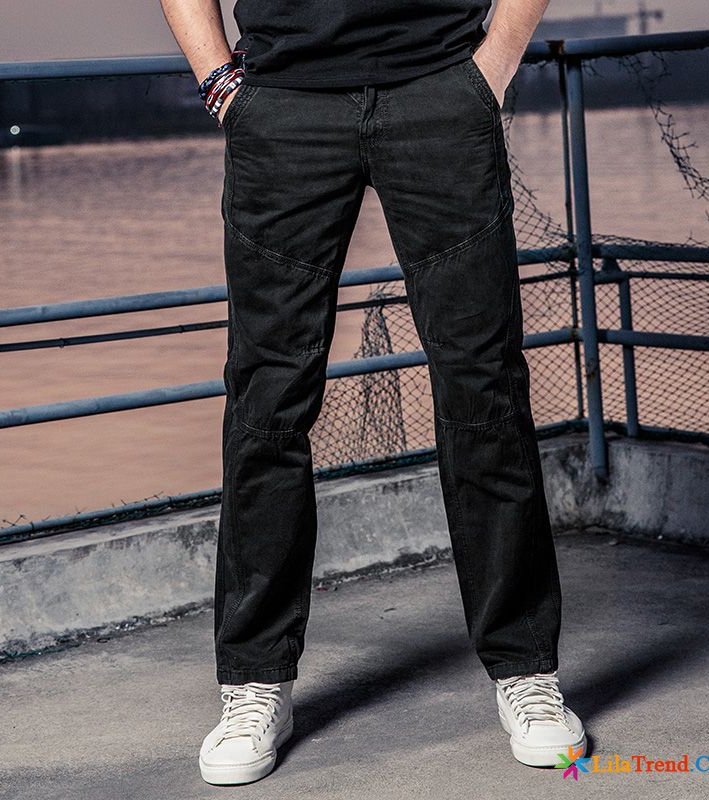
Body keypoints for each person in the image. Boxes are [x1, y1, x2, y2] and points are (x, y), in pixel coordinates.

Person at [159, 0, 587, 785]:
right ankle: (254, 680)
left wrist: (491, 67)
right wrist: (220, 80)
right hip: (282, 104)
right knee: (267, 399)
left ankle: (526, 668)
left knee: (483, 386)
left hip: (439, 89)